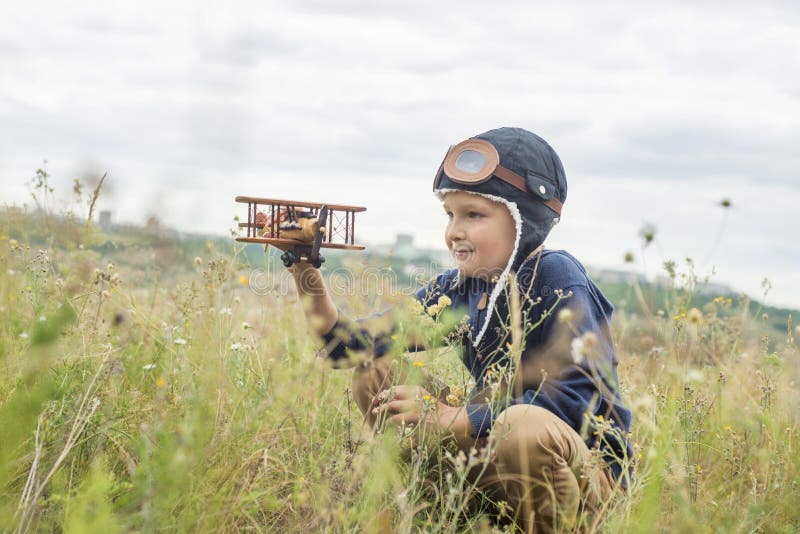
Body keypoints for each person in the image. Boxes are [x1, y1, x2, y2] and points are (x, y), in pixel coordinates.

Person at [286, 127, 632, 533]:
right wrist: (302, 264)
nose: (454, 231)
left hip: (584, 475)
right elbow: (346, 347)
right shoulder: (459, 288)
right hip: (494, 454)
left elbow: (572, 403)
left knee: (521, 425)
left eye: (474, 214)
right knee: (374, 372)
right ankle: (439, 505)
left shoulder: (557, 276)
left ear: (524, 219)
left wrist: (453, 417)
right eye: (450, 214)